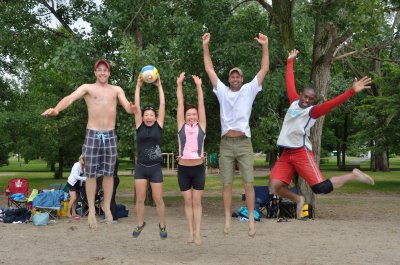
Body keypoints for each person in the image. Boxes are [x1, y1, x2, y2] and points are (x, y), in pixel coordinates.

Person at [269, 49, 375, 218]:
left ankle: (353, 175)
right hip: (286, 154)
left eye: (311, 99)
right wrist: (290, 61)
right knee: (274, 186)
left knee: (320, 188)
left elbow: (333, 104)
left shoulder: (312, 111)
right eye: (305, 96)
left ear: (313, 100)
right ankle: (298, 199)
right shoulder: (293, 102)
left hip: (300, 152)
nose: (306, 100)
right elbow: (290, 82)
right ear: (301, 95)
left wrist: (351, 91)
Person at [41, 59, 138, 228]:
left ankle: (106, 206)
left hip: (110, 135)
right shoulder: (87, 88)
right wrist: (57, 109)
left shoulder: (116, 90)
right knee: (91, 175)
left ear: (109, 73)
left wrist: (132, 108)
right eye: (99, 70)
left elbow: (127, 107)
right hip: (92, 134)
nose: (102, 73)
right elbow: (70, 98)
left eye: (105, 70)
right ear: (95, 72)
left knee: (109, 174)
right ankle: (92, 209)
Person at [202, 32, 269, 237]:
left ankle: (250, 219)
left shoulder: (249, 89)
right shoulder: (221, 91)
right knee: (227, 184)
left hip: (244, 143)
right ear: (229, 78)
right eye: (232, 75)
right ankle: (226, 219)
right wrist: (206, 46)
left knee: (249, 183)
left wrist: (265, 46)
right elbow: (209, 69)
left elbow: (264, 68)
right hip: (226, 144)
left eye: (238, 75)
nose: (235, 78)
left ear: (242, 78)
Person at [132, 74, 167, 239]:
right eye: (146, 115)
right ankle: (140, 223)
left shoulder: (159, 126)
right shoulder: (139, 125)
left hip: (155, 168)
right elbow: (136, 106)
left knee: (158, 198)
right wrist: (138, 86)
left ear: (155, 116)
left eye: (151, 115)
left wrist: (159, 86)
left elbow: (162, 103)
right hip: (141, 167)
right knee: (139, 199)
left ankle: (162, 225)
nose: (148, 117)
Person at [176, 72, 206, 245]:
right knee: (188, 201)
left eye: (194, 114)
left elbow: (201, 104)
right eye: (189, 115)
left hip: (198, 168)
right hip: (183, 169)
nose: (192, 116)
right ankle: (190, 232)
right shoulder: (181, 126)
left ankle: (198, 233)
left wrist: (199, 86)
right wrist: (179, 84)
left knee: (197, 201)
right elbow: (180, 104)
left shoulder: (201, 126)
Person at [67, 154, 86, 220]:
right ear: (81, 159)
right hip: (72, 183)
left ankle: (74, 213)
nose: (86, 161)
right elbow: (76, 176)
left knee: (75, 200)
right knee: (73, 198)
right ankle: (68, 213)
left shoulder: (84, 166)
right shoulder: (76, 165)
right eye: (85, 160)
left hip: (77, 184)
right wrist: (85, 178)